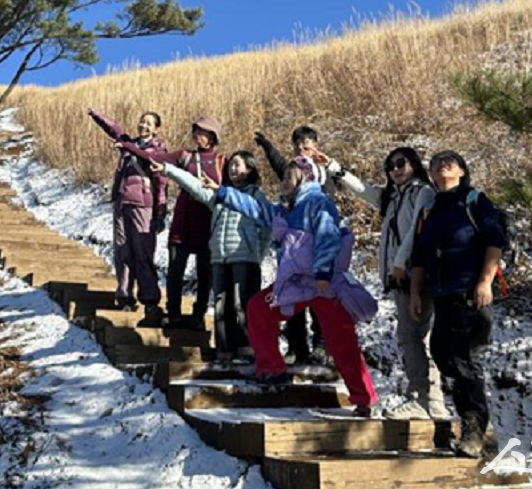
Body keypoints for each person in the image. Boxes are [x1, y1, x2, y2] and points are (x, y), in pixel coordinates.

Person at [206, 156, 378, 417]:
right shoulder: (285, 209)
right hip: (295, 284)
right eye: (284, 177)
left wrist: (322, 272)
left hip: (323, 284)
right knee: (258, 309)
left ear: (305, 178)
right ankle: (271, 370)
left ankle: (363, 398)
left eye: (289, 177)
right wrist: (222, 192)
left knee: (341, 340)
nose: (284, 181)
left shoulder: (318, 203)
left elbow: (327, 236)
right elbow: (256, 209)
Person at [314, 147, 447, 420]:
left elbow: (416, 232)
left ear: (414, 164)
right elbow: (366, 191)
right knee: (414, 336)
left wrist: (399, 262)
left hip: (415, 275)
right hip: (402, 276)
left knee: (415, 336)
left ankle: (424, 399)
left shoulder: (422, 192)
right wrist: (334, 167)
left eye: (401, 163)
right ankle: (430, 400)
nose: (395, 170)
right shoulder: (396, 196)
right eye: (390, 166)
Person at [409, 150, 506, 457]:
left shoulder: (475, 201)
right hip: (441, 294)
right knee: (442, 353)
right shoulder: (432, 209)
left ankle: (475, 431)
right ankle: (474, 424)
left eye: (451, 161)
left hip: (468, 291)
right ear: (432, 175)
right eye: (437, 162)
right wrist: (414, 293)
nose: (443, 163)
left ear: (462, 171)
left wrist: (484, 281)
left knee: (464, 359)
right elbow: (421, 255)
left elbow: (495, 241)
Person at [149, 151, 270, 363]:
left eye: (238, 165)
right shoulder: (219, 195)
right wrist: (168, 170)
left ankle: (246, 349)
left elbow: (267, 228)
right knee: (221, 305)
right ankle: (224, 350)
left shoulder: (255, 196)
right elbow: (194, 185)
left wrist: (258, 254)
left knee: (243, 305)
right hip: (219, 258)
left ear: (249, 169)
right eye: (231, 165)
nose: (233, 169)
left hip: (245, 258)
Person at [118, 117, 224, 330]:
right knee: (175, 270)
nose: (199, 137)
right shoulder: (185, 156)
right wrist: (128, 145)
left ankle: (199, 315)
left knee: (205, 274)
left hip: (208, 224)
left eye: (205, 133)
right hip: (183, 221)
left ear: (213, 137)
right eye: (197, 132)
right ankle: (173, 313)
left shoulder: (222, 161)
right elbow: (153, 157)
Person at [253, 126, 330, 365]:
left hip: (314, 253)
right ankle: (297, 347)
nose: (301, 149)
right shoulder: (291, 174)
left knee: (318, 302)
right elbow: (279, 165)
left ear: (316, 146)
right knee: (291, 299)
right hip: (289, 252)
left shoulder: (325, 175)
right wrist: (267, 146)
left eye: (306, 145)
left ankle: (321, 345)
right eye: (297, 145)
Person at [87, 108, 168, 325]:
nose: (144, 126)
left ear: (156, 129)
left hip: (144, 205)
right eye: (142, 121)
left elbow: (161, 184)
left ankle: (150, 299)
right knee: (122, 251)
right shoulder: (128, 145)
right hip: (122, 204)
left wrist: (160, 212)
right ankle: (124, 295)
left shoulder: (158, 150)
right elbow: (114, 129)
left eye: (149, 123)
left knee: (143, 253)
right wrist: (97, 116)